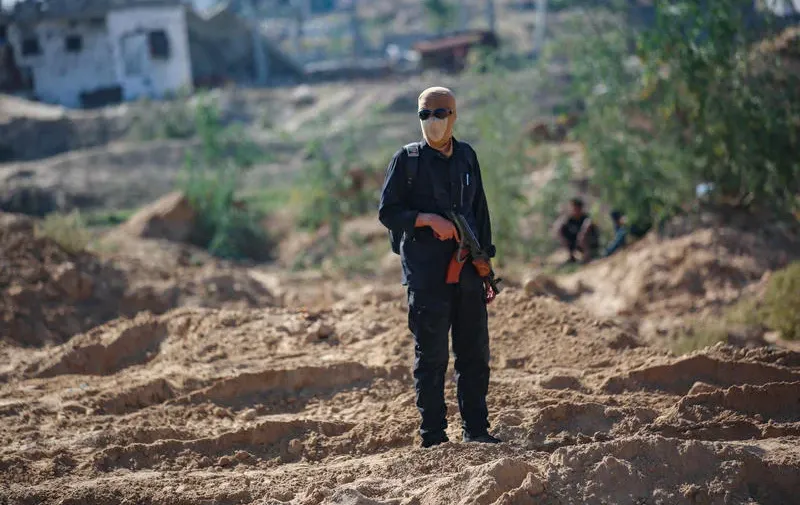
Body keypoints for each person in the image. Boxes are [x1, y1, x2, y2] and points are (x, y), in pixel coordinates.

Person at [378, 86, 501, 448]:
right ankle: (433, 436)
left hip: (468, 271)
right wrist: (426, 219)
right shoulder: (407, 160)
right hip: (426, 275)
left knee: (474, 354)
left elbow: (480, 211)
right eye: (425, 114)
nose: (432, 121)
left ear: (454, 116)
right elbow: (388, 212)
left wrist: (485, 261)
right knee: (431, 357)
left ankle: (476, 430)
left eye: (440, 113)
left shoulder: (466, 157)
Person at [556, 197, 599, 264]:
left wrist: (582, 234)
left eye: (574, 207)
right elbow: (558, 228)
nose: (572, 209)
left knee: (583, 234)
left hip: (589, 243)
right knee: (562, 232)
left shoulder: (586, 218)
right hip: (576, 243)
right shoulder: (569, 219)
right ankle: (571, 257)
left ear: (580, 208)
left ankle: (587, 256)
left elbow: (588, 225)